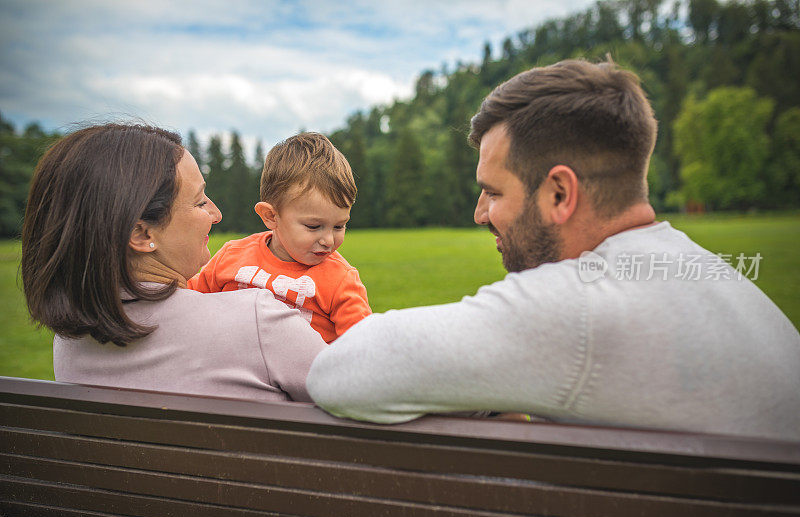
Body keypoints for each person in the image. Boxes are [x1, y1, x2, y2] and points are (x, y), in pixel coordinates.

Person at [306, 59, 800, 441]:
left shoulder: (580, 305)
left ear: (559, 194)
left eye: (494, 192)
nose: (481, 214)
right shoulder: (717, 277)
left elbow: (340, 373)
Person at [21, 124, 327, 402]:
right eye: (198, 201)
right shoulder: (257, 322)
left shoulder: (71, 338)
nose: (215, 214)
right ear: (141, 233)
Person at [188, 132, 371, 343]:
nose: (328, 240)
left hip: (303, 374)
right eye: (313, 226)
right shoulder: (232, 256)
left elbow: (362, 347)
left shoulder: (341, 280)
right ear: (271, 216)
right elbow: (186, 301)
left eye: (339, 226)